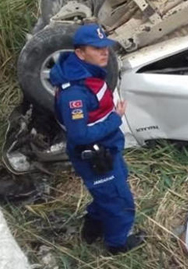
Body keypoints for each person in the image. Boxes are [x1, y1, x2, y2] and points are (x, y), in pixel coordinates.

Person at [50, 24, 144, 254]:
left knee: (111, 188)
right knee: (120, 202)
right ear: (80, 53)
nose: (105, 53)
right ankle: (117, 244)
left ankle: (92, 227)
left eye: (105, 47)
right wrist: (115, 119)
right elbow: (80, 135)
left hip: (107, 148)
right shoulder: (75, 94)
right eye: (96, 48)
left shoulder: (86, 71)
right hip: (95, 154)